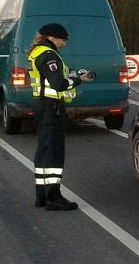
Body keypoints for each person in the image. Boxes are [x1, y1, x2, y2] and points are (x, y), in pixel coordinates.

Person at [27, 23, 94, 211]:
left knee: (43, 150)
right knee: (54, 153)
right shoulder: (49, 55)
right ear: (52, 38)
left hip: (42, 105)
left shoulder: (36, 52)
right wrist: (79, 79)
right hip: (52, 108)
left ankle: (42, 195)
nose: (64, 43)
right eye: (62, 40)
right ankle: (53, 197)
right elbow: (58, 84)